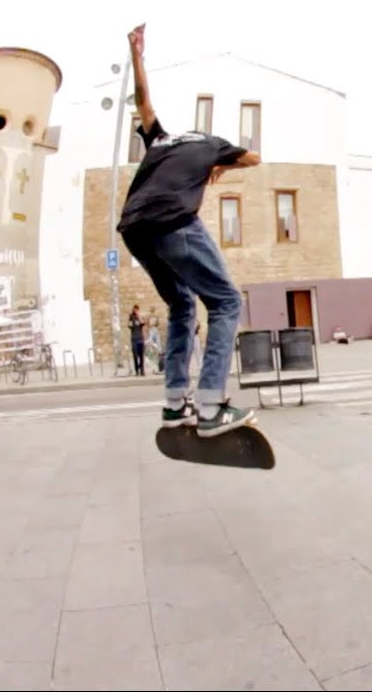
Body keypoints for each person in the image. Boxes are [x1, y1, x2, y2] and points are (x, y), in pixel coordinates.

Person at [116, 23, 261, 437]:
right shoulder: (211, 143)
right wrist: (220, 162)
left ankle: (174, 403)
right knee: (227, 301)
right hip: (174, 223)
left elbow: (143, 102)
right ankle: (212, 407)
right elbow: (254, 158)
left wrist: (137, 57)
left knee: (181, 304)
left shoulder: (161, 138)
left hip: (134, 228)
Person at [128, 304, 146, 376]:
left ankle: (142, 370)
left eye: (137, 309)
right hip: (134, 339)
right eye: (135, 309)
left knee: (141, 355)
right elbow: (129, 325)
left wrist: (139, 316)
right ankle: (136, 370)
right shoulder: (131, 317)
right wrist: (131, 318)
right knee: (135, 355)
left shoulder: (140, 318)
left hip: (140, 339)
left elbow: (143, 323)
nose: (136, 311)